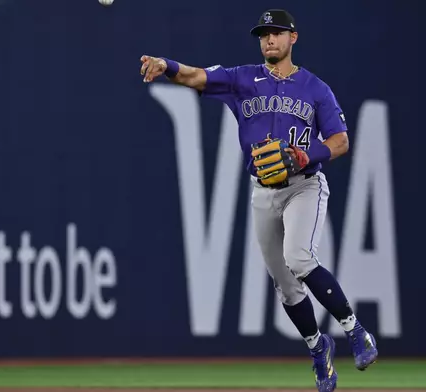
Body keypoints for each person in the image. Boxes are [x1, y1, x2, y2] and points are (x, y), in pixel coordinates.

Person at [140, 9, 378, 392]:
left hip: (304, 184)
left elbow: (340, 141)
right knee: (285, 285)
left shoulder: (315, 88)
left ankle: (356, 331)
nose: (270, 39)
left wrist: (307, 155)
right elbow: (193, 75)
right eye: (264, 34)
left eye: (277, 33)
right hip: (263, 192)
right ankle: (319, 348)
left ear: (292, 39)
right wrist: (163, 64)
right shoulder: (241, 79)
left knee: (299, 258)